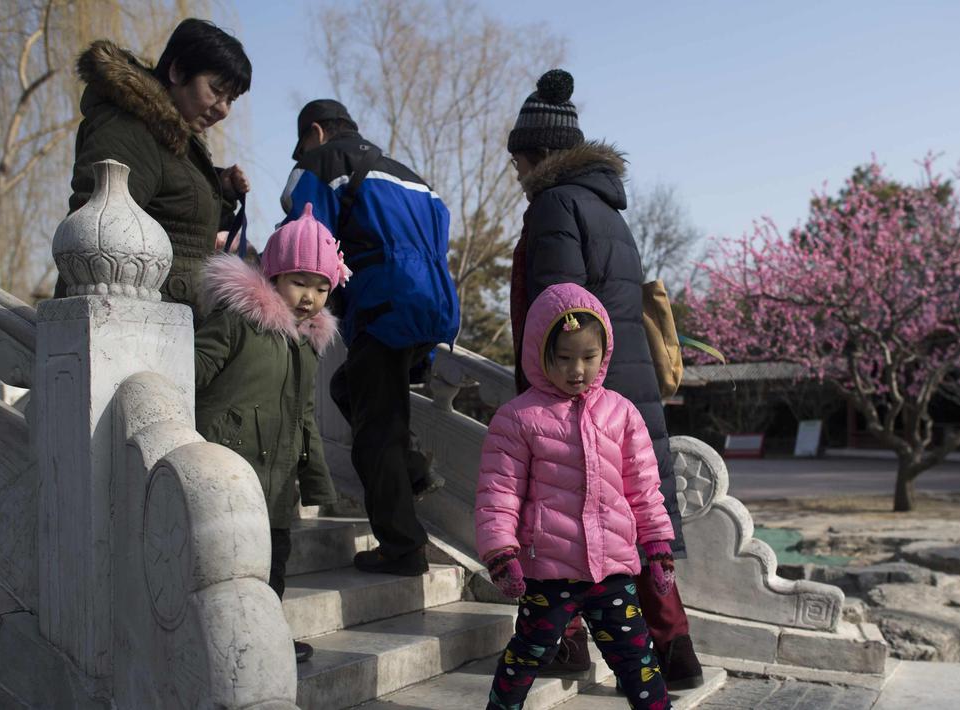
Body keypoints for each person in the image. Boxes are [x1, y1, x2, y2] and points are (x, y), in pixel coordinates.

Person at [507, 69, 703, 688]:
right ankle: (675, 652)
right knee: (637, 523)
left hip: (579, 392)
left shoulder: (554, 205)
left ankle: (565, 644)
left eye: (517, 163)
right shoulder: (606, 208)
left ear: (537, 156)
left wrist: (546, 383)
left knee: (562, 517)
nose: (516, 177)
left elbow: (560, 309)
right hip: (625, 388)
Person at [281, 100, 460, 575]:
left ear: (315, 132)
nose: (299, 155)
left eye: (300, 145)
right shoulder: (407, 174)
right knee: (351, 391)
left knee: (373, 433)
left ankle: (403, 548)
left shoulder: (322, 161)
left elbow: (304, 239)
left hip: (385, 303)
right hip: (434, 303)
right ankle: (413, 469)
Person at [476, 283, 675, 710]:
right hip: (549, 572)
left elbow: (644, 486)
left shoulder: (621, 412)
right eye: (563, 358)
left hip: (612, 570)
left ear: (604, 352)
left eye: (589, 356)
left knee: (637, 660)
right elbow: (499, 491)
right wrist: (501, 551)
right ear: (538, 352)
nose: (577, 369)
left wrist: (657, 547)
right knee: (527, 655)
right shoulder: (519, 418)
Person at [194, 204, 343, 663]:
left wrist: (317, 480)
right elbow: (194, 368)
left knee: (272, 563)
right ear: (273, 275)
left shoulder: (306, 344)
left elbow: (305, 418)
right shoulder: (239, 320)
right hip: (228, 468)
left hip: (277, 483)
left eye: (322, 288)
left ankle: (266, 635)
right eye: (299, 282)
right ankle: (216, 642)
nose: (309, 297)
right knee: (222, 560)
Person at [60, 19, 252, 320]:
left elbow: (177, 216)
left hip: (166, 323)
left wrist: (221, 191)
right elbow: (95, 238)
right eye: (216, 90)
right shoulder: (130, 129)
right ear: (177, 71)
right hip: (132, 325)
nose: (223, 109)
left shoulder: (173, 137)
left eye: (231, 99)